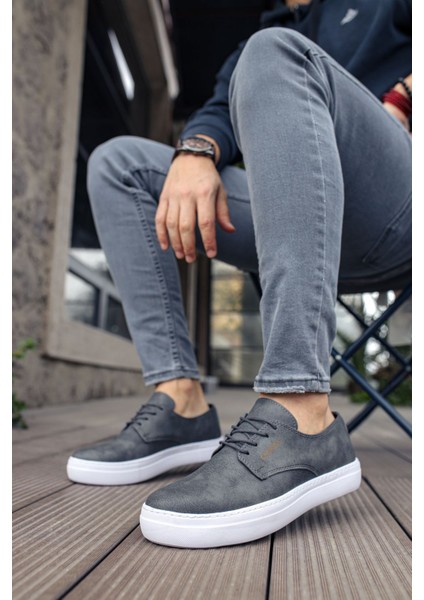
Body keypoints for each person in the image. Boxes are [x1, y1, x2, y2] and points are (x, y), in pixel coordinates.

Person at [67, 0, 412, 548]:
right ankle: (180, 401)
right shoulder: (272, 29)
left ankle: (302, 411)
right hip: (303, 208)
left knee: (274, 55)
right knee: (118, 163)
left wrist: (403, 98)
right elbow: (216, 112)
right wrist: (196, 151)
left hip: (396, 200)